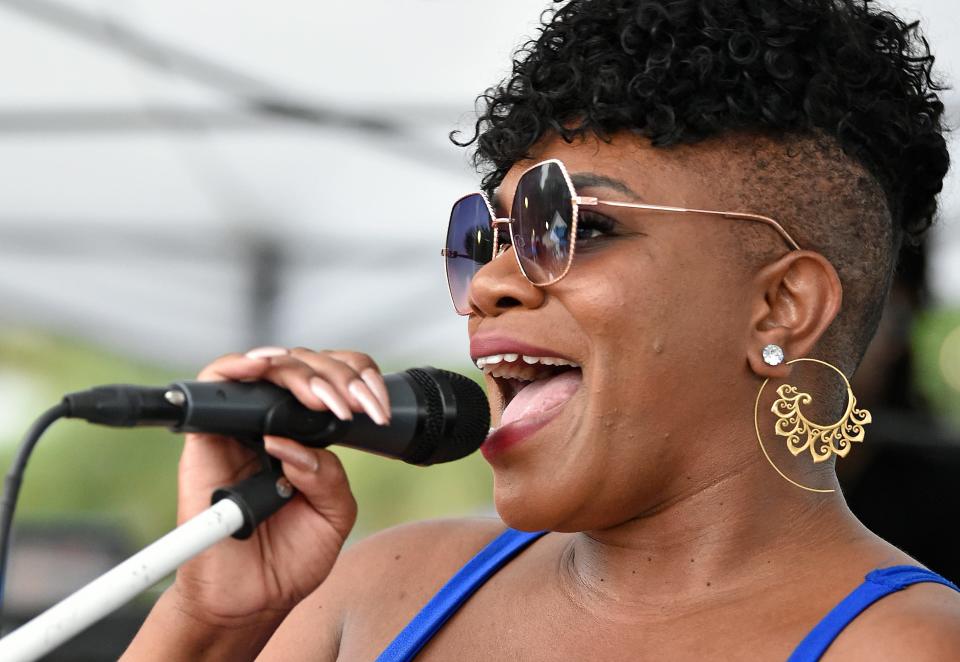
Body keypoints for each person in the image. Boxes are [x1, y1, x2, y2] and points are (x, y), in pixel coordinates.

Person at [122, 0, 960, 659]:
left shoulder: (912, 646)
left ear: (780, 306)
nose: (486, 285)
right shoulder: (381, 593)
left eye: (577, 228)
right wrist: (209, 620)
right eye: (486, 238)